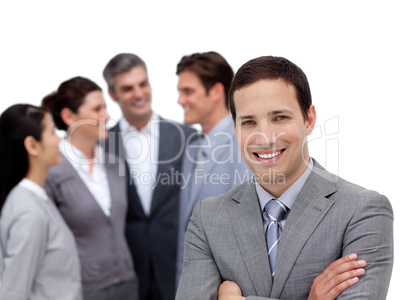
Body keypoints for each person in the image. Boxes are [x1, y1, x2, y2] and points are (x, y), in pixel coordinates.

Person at [176, 56, 393, 299]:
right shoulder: (208, 218)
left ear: (309, 120)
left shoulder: (363, 210)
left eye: (280, 117)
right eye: (248, 122)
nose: (265, 137)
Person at [102, 53, 195, 300]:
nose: (139, 93)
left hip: (178, 267)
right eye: (128, 88)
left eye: (143, 84)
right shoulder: (101, 146)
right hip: (126, 273)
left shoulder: (186, 137)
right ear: (113, 94)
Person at [42, 77, 138, 300]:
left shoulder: (115, 164)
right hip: (80, 290)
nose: (107, 116)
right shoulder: (52, 171)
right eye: (97, 109)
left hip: (127, 284)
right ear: (68, 116)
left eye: (105, 107)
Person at [175, 51, 250, 286]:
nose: (180, 100)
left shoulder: (244, 144)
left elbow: (249, 230)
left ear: (216, 92)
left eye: (188, 91)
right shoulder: (191, 150)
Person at [0, 104, 82, 300]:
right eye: (52, 132)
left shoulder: (36, 198)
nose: (59, 139)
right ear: (32, 145)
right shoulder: (29, 212)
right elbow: (13, 293)